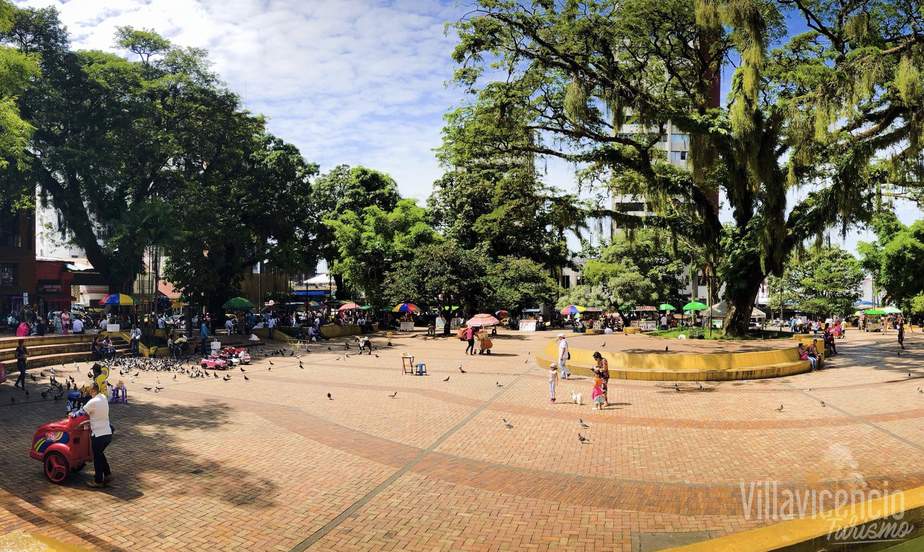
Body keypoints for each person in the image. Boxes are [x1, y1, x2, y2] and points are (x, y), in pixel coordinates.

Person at [69, 382, 112, 488]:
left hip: (98, 434)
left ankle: (98, 481)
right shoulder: (103, 397)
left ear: (93, 391)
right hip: (107, 432)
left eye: (89, 391)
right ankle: (107, 474)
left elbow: (81, 412)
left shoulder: (93, 402)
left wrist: (72, 414)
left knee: (97, 457)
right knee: (100, 453)